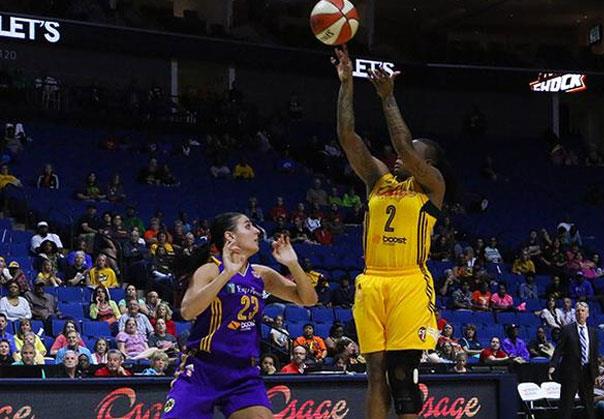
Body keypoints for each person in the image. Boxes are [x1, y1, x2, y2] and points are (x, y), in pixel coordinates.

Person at [334, 45, 447, 418]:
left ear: (426, 163)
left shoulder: (432, 186)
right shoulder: (378, 180)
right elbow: (347, 136)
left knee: (402, 374)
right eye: (404, 151)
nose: (402, 154)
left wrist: (387, 98)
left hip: (409, 280)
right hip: (372, 280)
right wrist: (347, 84)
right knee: (375, 374)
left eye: (413, 152)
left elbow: (402, 144)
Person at [162, 212, 317, 419]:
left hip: (244, 373)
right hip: (203, 368)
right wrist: (227, 274)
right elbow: (188, 311)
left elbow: (309, 299)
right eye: (248, 226)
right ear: (230, 236)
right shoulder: (210, 270)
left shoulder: (260, 274)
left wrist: (293, 264)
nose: (257, 231)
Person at [549, 302, 599, 419]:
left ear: (587, 314)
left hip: (587, 372)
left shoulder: (593, 332)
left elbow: (594, 355)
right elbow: (559, 349)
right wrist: (553, 365)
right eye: (578, 311)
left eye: (582, 311)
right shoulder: (567, 330)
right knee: (566, 404)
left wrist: (596, 374)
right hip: (571, 372)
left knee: (589, 405)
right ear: (575, 313)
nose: (580, 313)